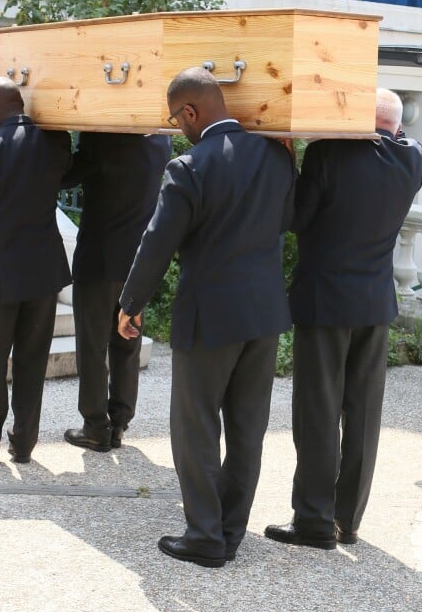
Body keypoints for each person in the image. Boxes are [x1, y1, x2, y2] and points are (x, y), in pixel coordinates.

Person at [117, 67, 296, 568]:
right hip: (263, 315)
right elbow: (290, 220)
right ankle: (231, 531)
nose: (178, 128)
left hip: (209, 316)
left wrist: (131, 304)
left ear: (191, 111)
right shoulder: (277, 156)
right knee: (247, 429)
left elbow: (157, 244)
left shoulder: (188, 167)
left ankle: (204, 536)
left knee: (195, 427)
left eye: (176, 119)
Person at [265, 88, 422, 550]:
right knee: (362, 415)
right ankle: (348, 520)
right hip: (375, 305)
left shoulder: (327, 153)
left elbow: (295, 217)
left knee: (319, 411)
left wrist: (287, 162)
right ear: (397, 126)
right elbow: (404, 145)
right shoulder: (414, 158)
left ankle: (314, 522)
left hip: (325, 302)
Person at [0, 77, 72, 465]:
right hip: (44, 270)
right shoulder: (56, 142)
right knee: (32, 358)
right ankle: (23, 444)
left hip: (2, 269)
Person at [63, 133, 171, 452]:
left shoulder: (102, 141)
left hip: (98, 260)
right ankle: (120, 422)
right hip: (137, 263)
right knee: (127, 343)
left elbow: (65, 175)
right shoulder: (160, 142)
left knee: (92, 345)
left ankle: (95, 426)